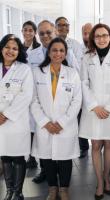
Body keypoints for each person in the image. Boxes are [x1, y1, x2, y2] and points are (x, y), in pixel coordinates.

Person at [28, 20, 79, 184]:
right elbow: (31, 94)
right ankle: (49, 182)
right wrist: (44, 121)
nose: (45, 36)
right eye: (41, 33)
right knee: (45, 154)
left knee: (64, 156)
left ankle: (63, 188)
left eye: (48, 32)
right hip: (43, 118)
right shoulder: (33, 58)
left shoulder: (69, 57)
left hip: (65, 118)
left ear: (55, 32)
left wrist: (63, 121)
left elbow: (76, 90)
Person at [79, 23, 110, 200]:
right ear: (93, 38)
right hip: (93, 109)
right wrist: (94, 106)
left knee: (109, 144)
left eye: (104, 35)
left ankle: (107, 177)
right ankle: (100, 181)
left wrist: (109, 107)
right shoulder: (86, 58)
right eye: (97, 36)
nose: (101, 39)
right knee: (96, 145)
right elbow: (83, 83)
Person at [0, 34, 33, 200]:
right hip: (0, 123)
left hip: (16, 120)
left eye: (14, 48)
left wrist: (5, 114)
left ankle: (18, 192)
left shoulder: (24, 69)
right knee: (4, 155)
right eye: (7, 47)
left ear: (19, 51)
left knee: (18, 155)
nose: (10, 51)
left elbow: (26, 96)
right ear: (1, 48)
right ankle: (9, 190)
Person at [22, 20, 41, 169]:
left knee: (36, 127)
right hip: (22, 93)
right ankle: (28, 156)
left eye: (30, 30)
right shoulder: (17, 48)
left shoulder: (40, 50)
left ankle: (35, 157)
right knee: (26, 127)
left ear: (35, 33)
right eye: (25, 30)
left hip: (37, 93)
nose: (28, 32)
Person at [78, 23, 93, 159]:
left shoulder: (99, 50)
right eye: (84, 33)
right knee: (80, 120)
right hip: (79, 92)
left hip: (94, 94)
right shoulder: (78, 49)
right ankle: (83, 147)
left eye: (90, 33)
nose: (87, 36)